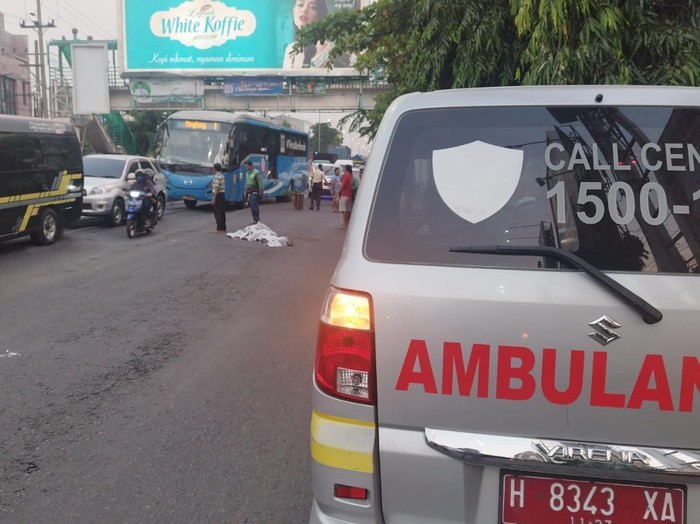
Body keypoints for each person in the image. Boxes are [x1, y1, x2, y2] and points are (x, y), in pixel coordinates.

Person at [283, 0, 350, 69]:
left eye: (313, 7)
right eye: (300, 5)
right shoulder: (290, 49)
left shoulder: (331, 49)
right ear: (293, 11)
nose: (304, 10)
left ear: (320, 14)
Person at [244, 160, 265, 224]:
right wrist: (245, 191)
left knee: (254, 205)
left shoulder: (256, 173)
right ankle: (255, 220)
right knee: (252, 206)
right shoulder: (247, 173)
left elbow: (260, 183)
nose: (246, 168)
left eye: (247, 166)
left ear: (251, 166)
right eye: (245, 167)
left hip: (255, 192)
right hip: (250, 191)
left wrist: (261, 192)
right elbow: (247, 183)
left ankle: (257, 220)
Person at [211, 162, 226, 233]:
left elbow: (217, 187)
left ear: (214, 169)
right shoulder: (222, 176)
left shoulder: (217, 176)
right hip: (222, 194)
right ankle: (223, 227)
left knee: (217, 212)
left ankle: (219, 228)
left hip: (218, 195)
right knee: (222, 211)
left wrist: (214, 198)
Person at [338, 164, 353, 229]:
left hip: (344, 194)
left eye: (344, 168)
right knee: (347, 210)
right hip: (349, 194)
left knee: (343, 210)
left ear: (346, 169)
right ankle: (346, 223)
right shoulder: (351, 176)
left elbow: (342, 185)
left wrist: (336, 183)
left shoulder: (346, 176)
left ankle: (345, 224)